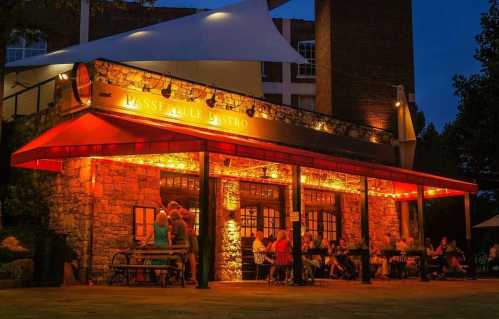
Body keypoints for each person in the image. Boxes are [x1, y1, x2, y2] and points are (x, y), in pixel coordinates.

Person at [143, 209, 171, 287]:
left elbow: (150, 235)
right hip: (165, 247)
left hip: (157, 246)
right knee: (163, 263)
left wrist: (144, 243)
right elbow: (169, 239)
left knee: (156, 262)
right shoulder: (167, 227)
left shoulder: (155, 225)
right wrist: (170, 248)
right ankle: (163, 279)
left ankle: (158, 278)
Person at [182, 209, 198, 285]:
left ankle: (193, 277)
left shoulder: (189, 229)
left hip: (189, 238)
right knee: (189, 257)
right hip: (189, 237)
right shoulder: (190, 228)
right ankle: (191, 277)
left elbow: (192, 215)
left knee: (190, 256)